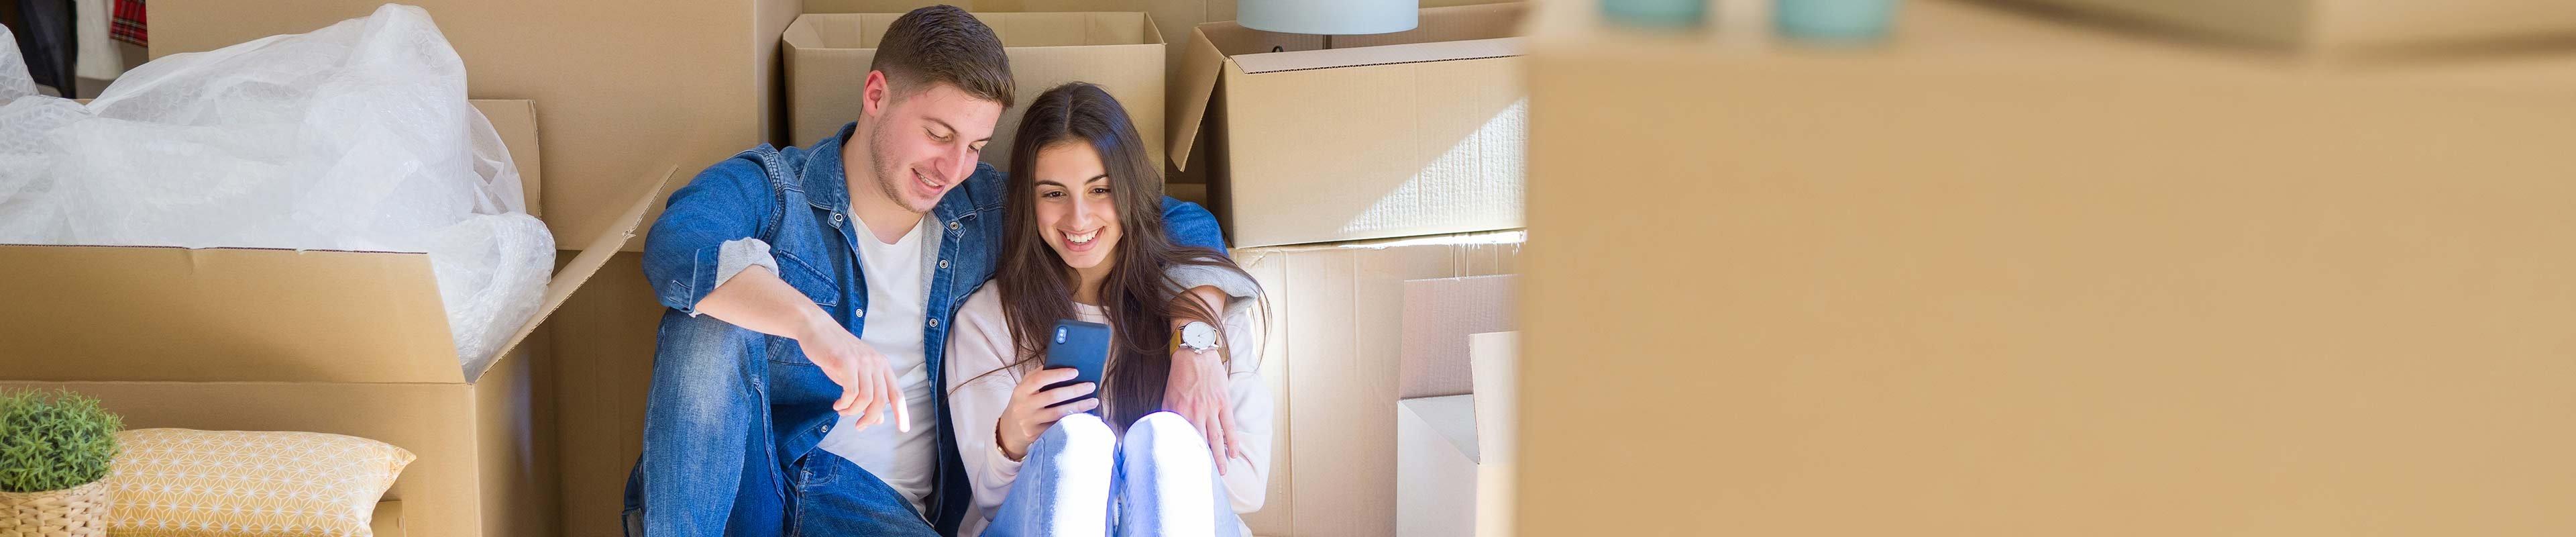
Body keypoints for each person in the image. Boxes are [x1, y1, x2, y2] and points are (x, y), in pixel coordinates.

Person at [622, 7, 1257, 536]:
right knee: (704, 322)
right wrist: (814, 327)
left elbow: (1164, 221)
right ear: (876, 95)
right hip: (752, 490)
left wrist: (1194, 342)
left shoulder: (981, 209)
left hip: (883, 512)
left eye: (976, 146)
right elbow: (680, 242)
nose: (953, 166)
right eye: (937, 133)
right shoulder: (775, 191)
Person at [943, 83, 1271, 537]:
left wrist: (1159, 451)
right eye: (1053, 194)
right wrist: (1012, 442)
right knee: (1077, 443)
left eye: (1100, 189)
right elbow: (992, 501)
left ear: (1131, 190)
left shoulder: (1203, 314)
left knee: (1165, 441)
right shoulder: (989, 320)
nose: (1078, 219)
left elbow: (1248, 489)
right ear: (1027, 200)